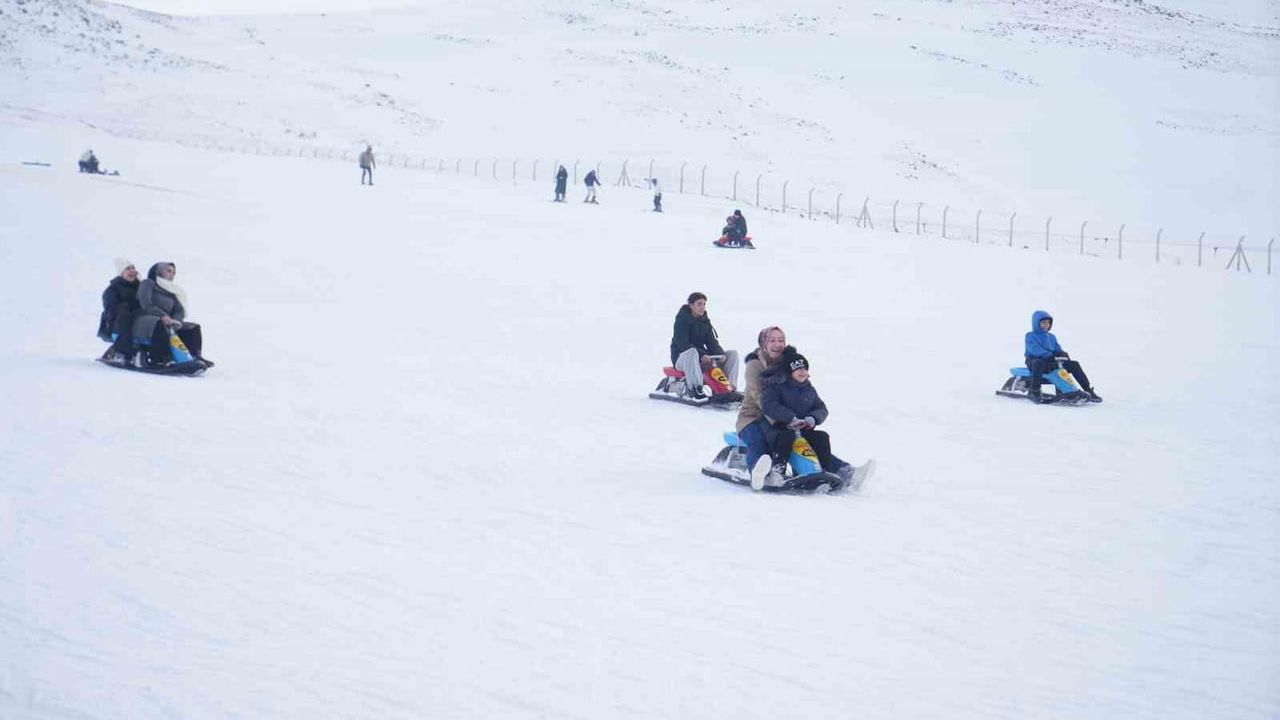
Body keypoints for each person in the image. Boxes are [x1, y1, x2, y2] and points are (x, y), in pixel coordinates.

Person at [752, 346, 857, 489]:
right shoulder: (775, 387)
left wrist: (812, 419)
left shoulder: (808, 388)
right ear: (789, 372)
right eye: (798, 369)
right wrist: (790, 418)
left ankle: (823, 472)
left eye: (804, 369)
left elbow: (821, 408)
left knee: (821, 437)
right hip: (777, 429)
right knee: (786, 438)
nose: (802, 372)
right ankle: (777, 473)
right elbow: (769, 406)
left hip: (801, 429)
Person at [133, 262, 212, 368]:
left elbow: (179, 310)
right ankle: (162, 359)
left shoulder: (171, 290)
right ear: (159, 271)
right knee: (159, 323)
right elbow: (146, 304)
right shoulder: (148, 283)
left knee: (193, 327)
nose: (172, 275)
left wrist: (175, 320)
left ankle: (194, 356)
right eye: (169, 271)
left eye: (174, 273)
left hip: (167, 321)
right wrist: (162, 316)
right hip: (145, 320)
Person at [736, 326, 788, 473]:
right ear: (763, 344)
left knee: (808, 441)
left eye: (781, 340)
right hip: (752, 418)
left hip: (782, 418)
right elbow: (759, 396)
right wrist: (779, 418)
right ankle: (757, 473)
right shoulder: (754, 365)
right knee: (758, 442)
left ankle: (841, 469)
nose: (777, 344)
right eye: (772, 340)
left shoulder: (788, 365)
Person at [669, 292, 739, 400]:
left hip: (701, 357)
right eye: (699, 304)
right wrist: (701, 355)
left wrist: (720, 354)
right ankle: (696, 388)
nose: (702, 307)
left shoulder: (704, 321)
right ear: (691, 305)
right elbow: (683, 344)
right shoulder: (681, 321)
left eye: (704, 304)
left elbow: (712, 342)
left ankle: (729, 388)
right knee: (692, 352)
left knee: (732, 354)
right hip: (682, 358)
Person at [1025, 310, 1101, 403]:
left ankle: (1088, 390)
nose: (1046, 325)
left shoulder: (1051, 337)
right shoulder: (1030, 336)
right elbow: (1034, 349)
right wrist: (1048, 355)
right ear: (1036, 323)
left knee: (1074, 364)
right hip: (1035, 361)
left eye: (1048, 323)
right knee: (1039, 363)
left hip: (1050, 361)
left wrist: (1062, 354)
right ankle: (1034, 390)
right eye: (1043, 323)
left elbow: (1057, 348)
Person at [97, 258, 140, 365]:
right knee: (125, 315)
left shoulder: (140, 287)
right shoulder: (113, 289)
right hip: (116, 322)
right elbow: (110, 308)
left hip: (135, 318)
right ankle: (122, 353)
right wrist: (125, 307)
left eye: (133, 268)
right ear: (121, 272)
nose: (132, 271)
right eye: (128, 269)